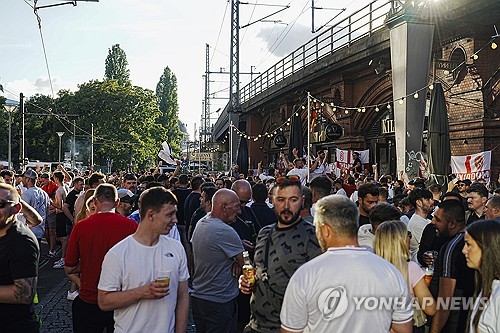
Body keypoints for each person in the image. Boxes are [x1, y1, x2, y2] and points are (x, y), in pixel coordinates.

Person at [280, 195, 413, 333]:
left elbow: (290, 330)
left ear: (325, 230)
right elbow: (403, 329)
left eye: (317, 228)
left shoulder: (305, 275)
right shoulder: (390, 272)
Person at [98, 186, 189, 333]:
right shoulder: (119, 253)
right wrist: (142, 292)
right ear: (151, 215)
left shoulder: (176, 249)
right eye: (170, 215)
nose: (175, 220)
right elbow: (104, 301)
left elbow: (183, 295)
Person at [239, 178, 322, 332]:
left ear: (302, 201)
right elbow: (258, 270)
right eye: (281, 199)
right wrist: (246, 281)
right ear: (273, 201)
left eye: (293, 200)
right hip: (256, 326)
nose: (286, 206)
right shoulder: (264, 233)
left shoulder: (313, 237)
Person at [65, 184, 138, 333]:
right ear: (117, 203)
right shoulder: (131, 226)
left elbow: (69, 267)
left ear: (95, 201)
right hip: (120, 300)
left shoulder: (81, 227)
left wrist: (86, 267)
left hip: (89, 299)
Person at [191, 189, 245, 333]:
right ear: (224, 207)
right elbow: (247, 265)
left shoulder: (203, 221)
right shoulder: (224, 231)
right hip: (219, 302)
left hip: (200, 298)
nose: (239, 212)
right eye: (237, 206)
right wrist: (240, 259)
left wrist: (233, 260)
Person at [374, 220, 437, 331]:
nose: (410, 238)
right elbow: (430, 308)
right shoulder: (410, 268)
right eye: (408, 235)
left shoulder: (371, 268)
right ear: (401, 241)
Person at [0, 183, 40, 333]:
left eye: (0, 204)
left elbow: (25, 294)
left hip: (14, 326)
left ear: (16, 209)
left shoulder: (22, 241)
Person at [430, 200, 475, 333]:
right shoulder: (470, 241)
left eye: (438, 219)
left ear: (452, 224)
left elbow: (445, 298)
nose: (433, 222)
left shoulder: (452, 247)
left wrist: (434, 330)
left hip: (454, 322)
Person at [463, 219, 500, 332]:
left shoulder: (498, 295)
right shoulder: (488, 287)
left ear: (486, 247)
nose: (464, 250)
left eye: (468, 244)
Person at [408, 188, 434, 261]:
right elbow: (431, 244)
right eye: (428, 199)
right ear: (419, 203)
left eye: (431, 199)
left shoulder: (427, 220)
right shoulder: (417, 223)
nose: (432, 202)